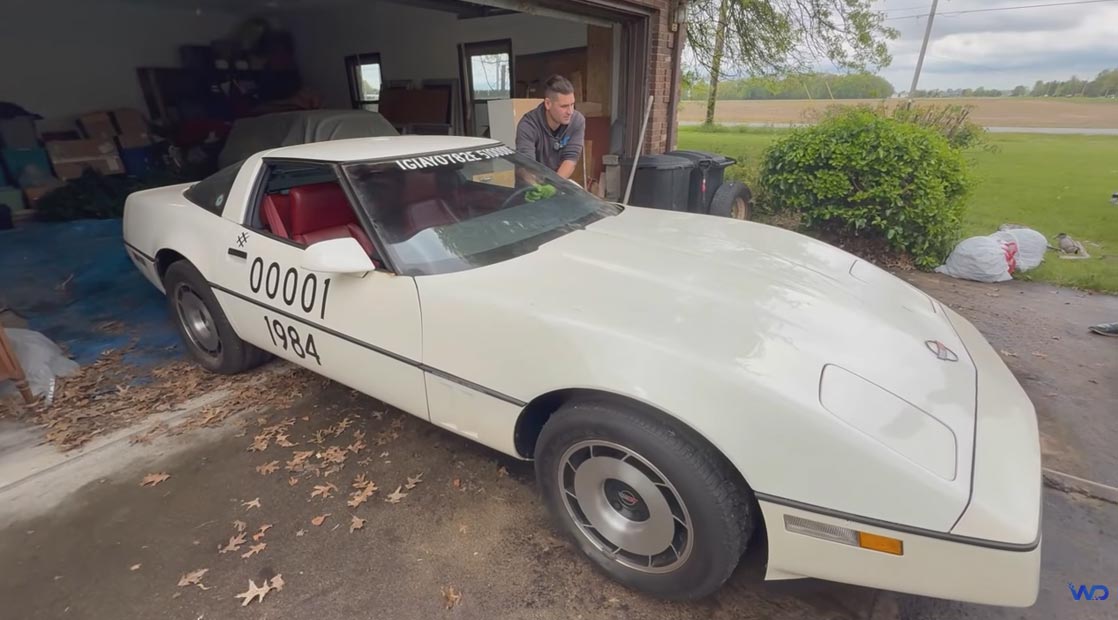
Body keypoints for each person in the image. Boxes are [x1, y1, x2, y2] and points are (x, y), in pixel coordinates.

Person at [515, 75, 586, 180]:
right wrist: (540, 189)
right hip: (530, 184)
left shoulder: (577, 121)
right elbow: (527, 165)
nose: (570, 112)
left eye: (572, 105)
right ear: (548, 104)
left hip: (557, 182)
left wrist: (554, 186)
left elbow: (570, 159)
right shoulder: (528, 125)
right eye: (564, 106)